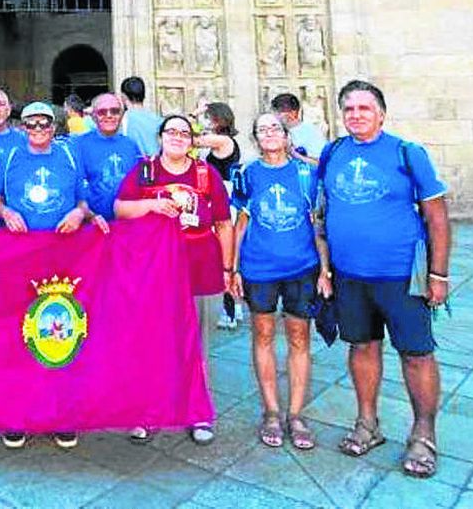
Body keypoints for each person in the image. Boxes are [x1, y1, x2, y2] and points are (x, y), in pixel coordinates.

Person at [319, 80, 451, 479]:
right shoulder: (333, 153)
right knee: (361, 347)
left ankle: (423, 434)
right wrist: (326, 269)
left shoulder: (407, 153)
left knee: (415, 354)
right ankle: (368, 423)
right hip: (350, 276)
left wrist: (438, 275)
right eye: (349, 109)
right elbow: (323, 214)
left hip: (401, 276)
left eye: (364, 107)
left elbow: (437, 217)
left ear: (381, 113)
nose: (356, 115)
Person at [114, 114, 233, 445]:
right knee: (154, 341)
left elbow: (223, 223)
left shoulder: (205, 174)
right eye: (172, 132)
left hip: (201, 267)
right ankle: (150, 411)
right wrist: (153, 204)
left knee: (198, 344)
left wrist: (228, 270)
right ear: (161, 136)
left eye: (185, 133)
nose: (178, 137)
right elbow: (121, 208)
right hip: (156, 270)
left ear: (193, 139)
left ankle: (197, 412)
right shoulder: (146, 170)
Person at [0, 101, 104, 450]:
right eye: (31, 123)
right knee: (20, 333)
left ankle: (61, 413)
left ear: (54, 127)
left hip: (63, 256)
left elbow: (85, 201)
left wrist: (78, 213)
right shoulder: (10, 157)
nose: (38, 129)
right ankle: (18, 412)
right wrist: (6, 210)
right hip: (19, 257)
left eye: (44, 123)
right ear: (22, 126)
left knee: (62, 331)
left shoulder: (69, 156)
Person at [230, 113, 332, 452]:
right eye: (262, 129)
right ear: (255, 138)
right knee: (262, 335)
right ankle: (271, 411)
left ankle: (296, 413)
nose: (270, 134)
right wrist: (232, 270)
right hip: (259, 267)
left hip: (302, 266)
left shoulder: (307, 174)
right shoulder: (246, 174)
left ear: (287, 134)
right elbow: (239, 225)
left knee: (300, 337)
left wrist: (324, 270)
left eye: (275, 127)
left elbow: (317, 223)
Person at [193, 102, 244, 331]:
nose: (204, 122)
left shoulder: (224, 141)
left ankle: (229, 310)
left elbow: (191, 139)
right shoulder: (222, 143)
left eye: (207, 118)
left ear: (217, 120)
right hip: (220, 198)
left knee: (224, 254)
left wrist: (192, 115)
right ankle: (236, 307)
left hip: (224, 200)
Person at [71, 92, 143, 222]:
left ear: (121, 115)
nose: (109, 115)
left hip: (127, 225)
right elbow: (75, 189)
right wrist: (90, 215)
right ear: (93, 116)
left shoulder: (131, 145)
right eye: (102, 112)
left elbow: (142, 183)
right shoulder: (79, 145)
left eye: (114, 111)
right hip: (93, 226)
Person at [273, 92, 328, 164]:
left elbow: (321, 163)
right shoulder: (276, 132)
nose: (275, 117)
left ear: (292, 113)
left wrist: (293, 153)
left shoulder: (311, 132)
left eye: (278, 112)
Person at [119, 76, 162, 158]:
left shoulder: (122, 120)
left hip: (133, 167)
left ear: (123, 96)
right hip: (155, 165)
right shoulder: (157, 119)